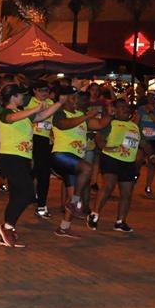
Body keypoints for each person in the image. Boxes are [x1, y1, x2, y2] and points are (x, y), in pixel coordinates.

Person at [0, 84, 62, 248]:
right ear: (13, 97)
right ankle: (6, 227)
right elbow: (12, 119)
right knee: (27, 193)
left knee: (17, 195)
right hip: (11, 158)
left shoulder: (22, 114)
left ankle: (8, 228)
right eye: (21, 95)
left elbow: (42, 116)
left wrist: (60, 102)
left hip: (22, 158)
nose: (23, 98)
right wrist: (34, 109)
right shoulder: (6, 113)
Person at [50, 87, 110, 239]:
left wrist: (111, 113)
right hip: (61, 156)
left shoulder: (81, 115)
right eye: (72, 97)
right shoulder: (59, 112)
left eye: (75, 97)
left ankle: (64, 227)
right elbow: (63, 125)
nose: (76, 100)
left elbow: (99, 124)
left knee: (73, 195)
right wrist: (85, 117)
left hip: (75, 160)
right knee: (88, 168)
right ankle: (74, 203)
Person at [87, 98, 140, 233]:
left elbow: (143, 143)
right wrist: (104, 147)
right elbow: (99, 137)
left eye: (127, 107)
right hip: (111, 158)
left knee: (127, 193)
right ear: (115, 110)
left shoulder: (134, 126)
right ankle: (94, 215)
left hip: (128, 162)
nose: (126, 109)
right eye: (122, 107)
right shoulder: (110, 123)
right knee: (108, 185)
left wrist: (152, 155)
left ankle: (120, 222)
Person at [27, 80, 55, 218]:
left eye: (47, 90)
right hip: (31, 140)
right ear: (34, 90)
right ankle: (28, 196)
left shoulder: (52, 103)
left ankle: (41, 205)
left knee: (44, 174)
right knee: (30, 171)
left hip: (46, 142)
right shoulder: (28, 103)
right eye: (41, 90)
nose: (44, 93)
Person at [136, 90, 155, 196]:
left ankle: (148, 186)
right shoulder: (141, 109)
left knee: (152, 163)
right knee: (138, 160)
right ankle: (136, 174)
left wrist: (149, 112)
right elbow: (136, 122)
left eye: (153, 96)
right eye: (149, 96)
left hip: (154, 139)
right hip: (142, 138)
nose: (151, 98)